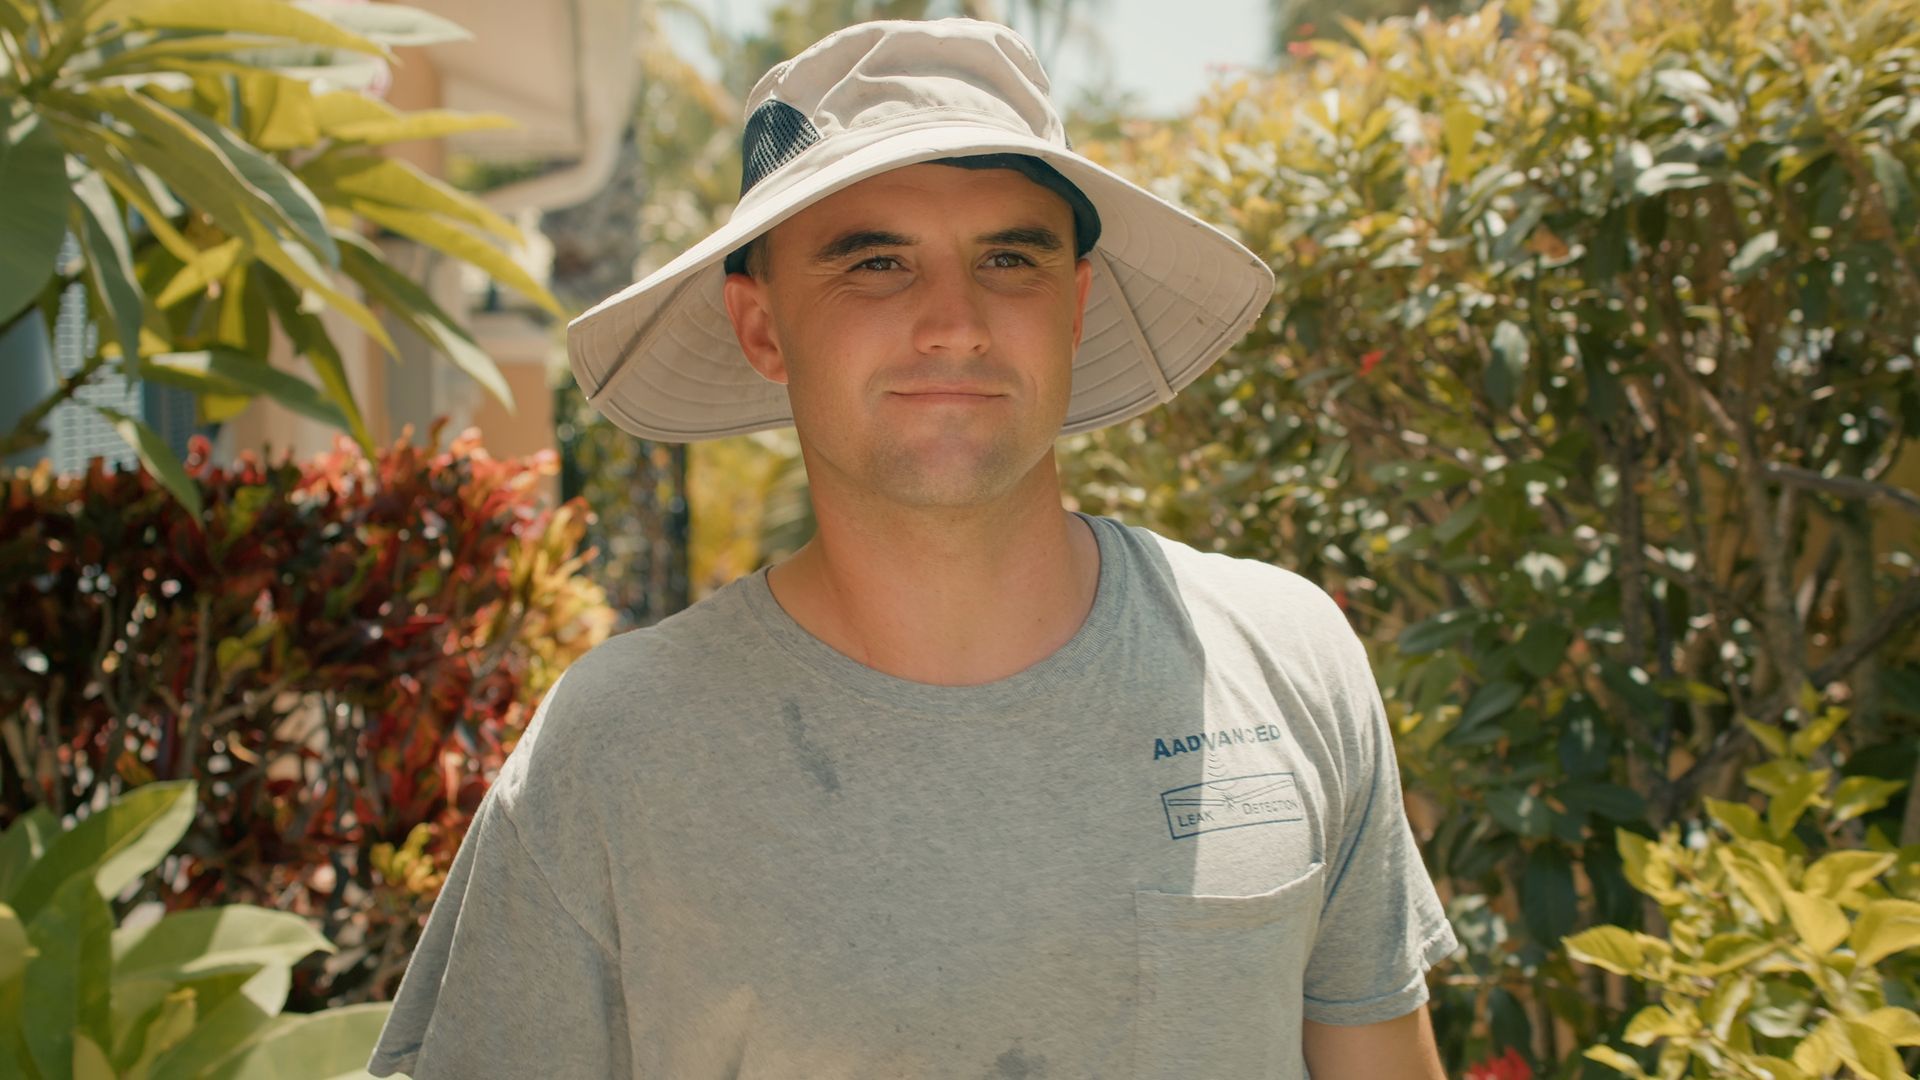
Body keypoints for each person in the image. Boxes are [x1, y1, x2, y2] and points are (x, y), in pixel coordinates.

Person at [369, 17, 1456, 1080]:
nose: (956, 322)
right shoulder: (614, 755)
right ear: (762, 327)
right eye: (877, 262)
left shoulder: (1286, 660)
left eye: (1010, 258)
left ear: (1076, 303)